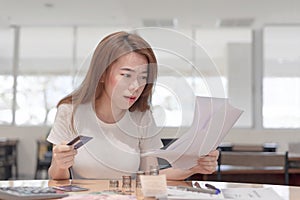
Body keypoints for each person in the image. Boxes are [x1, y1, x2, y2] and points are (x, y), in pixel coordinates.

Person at [47, 31, 219, 180]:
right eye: (126, 75)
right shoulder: (70, 111)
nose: (136, 86)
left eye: (143, 77)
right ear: (102, 74)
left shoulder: (142, 116)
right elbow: (56, 178)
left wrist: (195, 167)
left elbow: (151, 176)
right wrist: (60, 163)